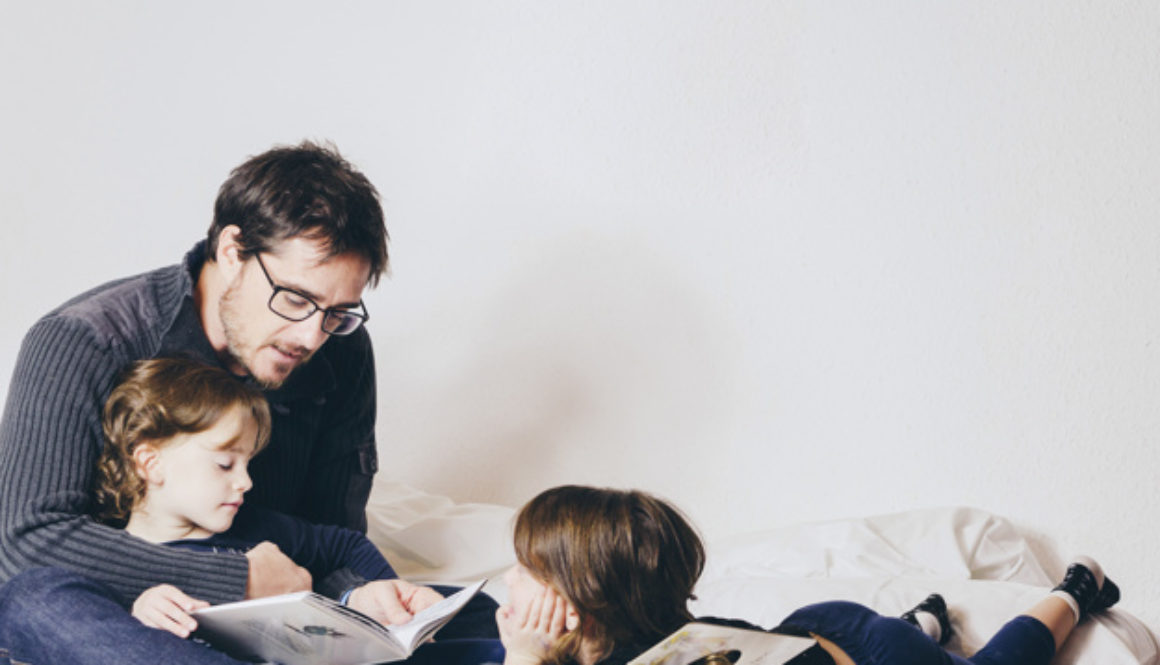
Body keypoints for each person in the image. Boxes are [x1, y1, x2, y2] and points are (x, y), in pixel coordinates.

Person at [0, 141, 391, 605]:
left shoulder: (339, 347)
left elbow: (329, 539)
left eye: (338, 311)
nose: (311, 337)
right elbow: (25, 543)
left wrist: (359, 597)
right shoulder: (83, 342)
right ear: (231, 251)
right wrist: (231, 580)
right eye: (295, 299)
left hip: (276, 626)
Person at [0, 357, 503, 665]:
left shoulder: (256, 530)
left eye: (248, 462)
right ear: (149, 461)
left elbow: (342, 544)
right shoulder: (110, 564)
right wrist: (142, 608)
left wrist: (374, 594)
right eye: (224, 463)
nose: (245, 482)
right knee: (30, 599)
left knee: (470, 606)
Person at [495, 485, 1121, 665]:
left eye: (525, 569)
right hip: (806, 636)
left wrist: (523, 657)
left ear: (578, 600)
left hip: (858, 647)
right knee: (918, 633)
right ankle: (926, 623)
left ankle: (1074, 590)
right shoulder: (572, 650)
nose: (507, 580)